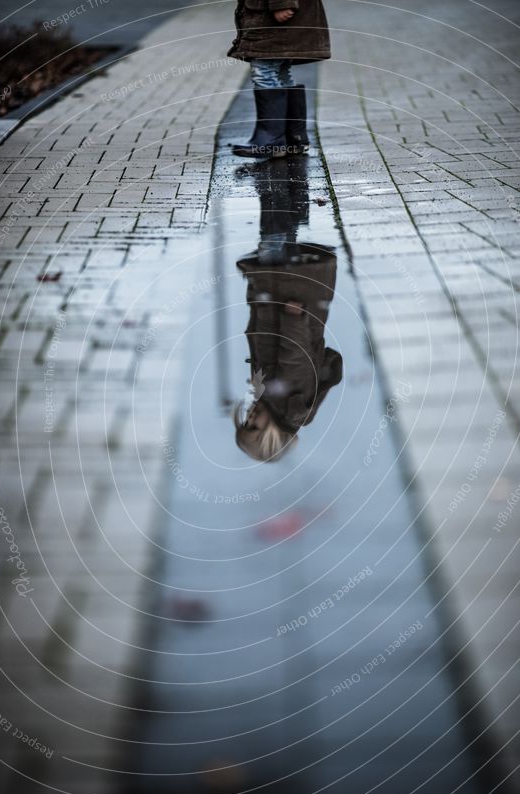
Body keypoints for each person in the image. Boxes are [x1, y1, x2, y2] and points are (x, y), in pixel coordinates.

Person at [234, 158, 343, 462]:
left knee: (279, 235)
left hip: (279, 298)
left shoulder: (273, 402)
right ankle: (276, 174)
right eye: (254, 427)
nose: (250, 417)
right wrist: (293, 318)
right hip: (288, 301)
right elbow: (297, 359)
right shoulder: (290, 406)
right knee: (274, 233)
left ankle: (284, 175)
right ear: (272, 437)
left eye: (245, 423)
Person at [228, 0, 331, 158]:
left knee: (264, 71)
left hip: (273, 17)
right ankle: (293, 138)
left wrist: (282, 3)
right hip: (276, 16)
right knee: (281, 71)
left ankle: (271, 141)